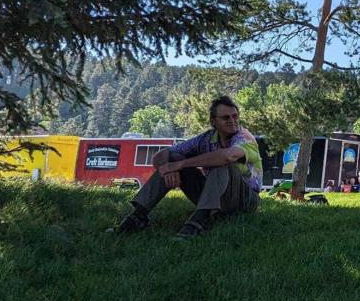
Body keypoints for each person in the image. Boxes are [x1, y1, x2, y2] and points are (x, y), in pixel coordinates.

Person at [109, 96, 261, 239]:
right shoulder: (206, 139)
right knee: (172, 157)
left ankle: (199, 221)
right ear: (213, 121)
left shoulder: (244, 137)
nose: (232, 121)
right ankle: (138, 216)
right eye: (226, 117)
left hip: (245, 201)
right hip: (217, 196)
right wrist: (171, 168)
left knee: (220, 162)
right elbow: (160, 157)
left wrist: (180, 164)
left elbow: (228, 156)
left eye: (235, 116)